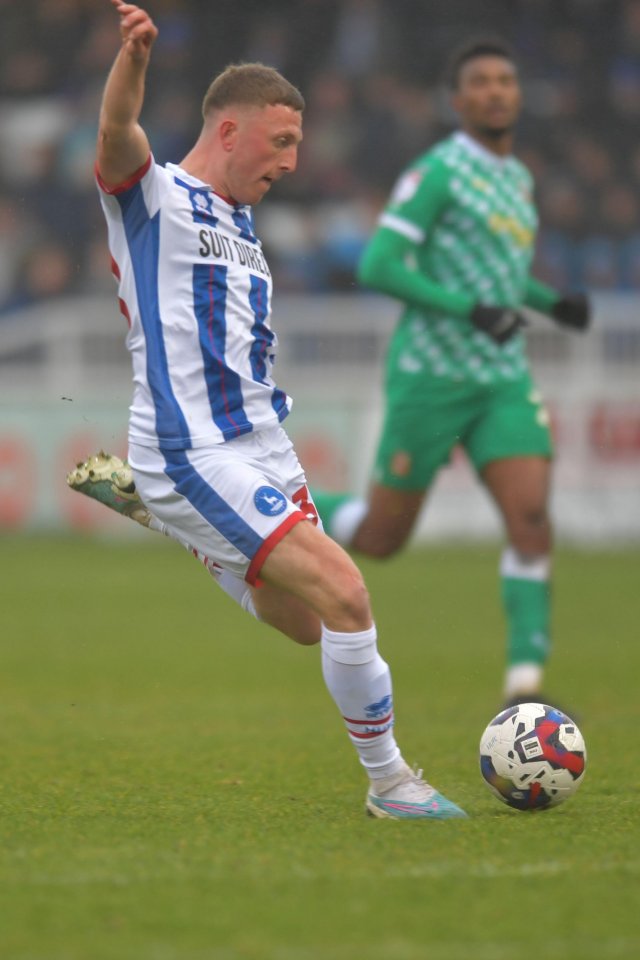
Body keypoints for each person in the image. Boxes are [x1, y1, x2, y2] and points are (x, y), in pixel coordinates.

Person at [67, 0, 466, 821]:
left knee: (309, 623)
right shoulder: (155, 197)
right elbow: (115, 132)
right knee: (349, 593)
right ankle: (392, 784)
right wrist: (135, 59)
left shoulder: (243, 227)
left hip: (263, 442)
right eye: (281, 141)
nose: (293, 160)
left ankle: (180, 525)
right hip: (190, 444)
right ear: (228, 132)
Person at [313, 38, 591, 708]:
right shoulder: (435, 173)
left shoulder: (517, 179)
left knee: (529, 517)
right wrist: (472, 311)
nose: (496, 90)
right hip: (431, 377)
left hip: (499, 377)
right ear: (458, 100)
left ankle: (525, 689)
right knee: (382, 538)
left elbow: (497, 273)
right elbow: (379, 264)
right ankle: (270, 511)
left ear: (517, 96)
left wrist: (551, 302)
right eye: (482, 82)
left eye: (506, 80)